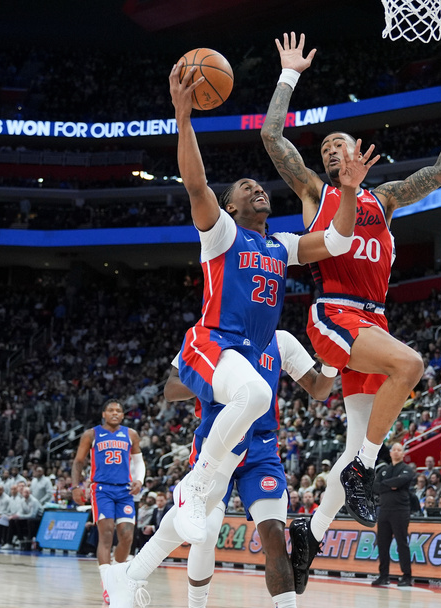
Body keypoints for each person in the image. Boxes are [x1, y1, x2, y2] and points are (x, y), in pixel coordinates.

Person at [262, 34, 441, 585]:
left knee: (355, 444)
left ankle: (310, 535)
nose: (330, 153)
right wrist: (288, 76)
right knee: (409, 367)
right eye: (324, 150)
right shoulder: (316, 194)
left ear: (357, 149)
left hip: (374, 317)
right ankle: (364, 469)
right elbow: (272, 135)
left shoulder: (383, 199)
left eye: (338, 144)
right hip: (335, 314)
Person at [165, 59, 374, 547]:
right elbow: (197, 186)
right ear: (230, 206)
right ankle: (195, 484)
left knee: (198, 527)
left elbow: (340, 241)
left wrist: (347, 191)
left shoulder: (282, 244)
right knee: (255, 400)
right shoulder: (221, 233)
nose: (259, 188)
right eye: (245, 188)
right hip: (215, 344)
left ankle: (134, 572)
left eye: (261, 187)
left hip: (249, 362)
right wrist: (184, 120)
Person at [105, 330, 335, 608]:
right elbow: (171, 388)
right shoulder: (209, 335)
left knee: (274, 532)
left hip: (261, 450)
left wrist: (334, 360)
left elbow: (320, 389)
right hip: (218, 440)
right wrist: (223, 378)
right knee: (204, 533)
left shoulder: (281, 341)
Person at [71, 398, 145, 602]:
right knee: (106, 534)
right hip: (101, 489)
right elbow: (78, 462)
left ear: (122, 415)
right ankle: (107, 584)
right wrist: (76, 486)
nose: (115, 413)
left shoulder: (131, 434)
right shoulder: (91, 434)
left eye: (118, 411)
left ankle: (117, 576)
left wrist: (140, 480)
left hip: (125, 490)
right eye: (110, 410)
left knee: (127, 535)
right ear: (103, 414)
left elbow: (139, 461)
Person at [372, 442, 416, 587]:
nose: (396, 452)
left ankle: (407, 576)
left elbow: (402, 480)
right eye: (394, 450)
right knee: (382, 545)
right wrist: (391, 485)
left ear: (403, 454)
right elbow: (374, 487)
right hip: (384, 510)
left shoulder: (406, 469)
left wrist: (384, 485)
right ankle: (383, 576)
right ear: (390, 453)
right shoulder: (384, 470)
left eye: (399, 450)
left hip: (400, 511)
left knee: (402, 543)